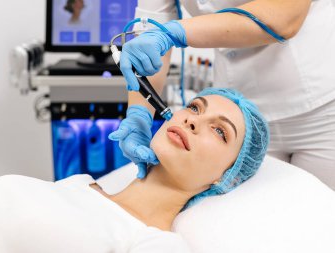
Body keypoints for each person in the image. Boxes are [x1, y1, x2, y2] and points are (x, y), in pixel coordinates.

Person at [0, 88, 269, 252]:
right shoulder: (80, 184)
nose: (192, 120)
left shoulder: (155, 244)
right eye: (194, 107)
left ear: (227, 176)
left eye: (220, 132)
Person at [111, 0, 335, 189]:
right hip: (242, 122)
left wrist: (173, 33)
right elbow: (149, 31)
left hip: (321, 105)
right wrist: (140, 113)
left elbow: (284, 16)